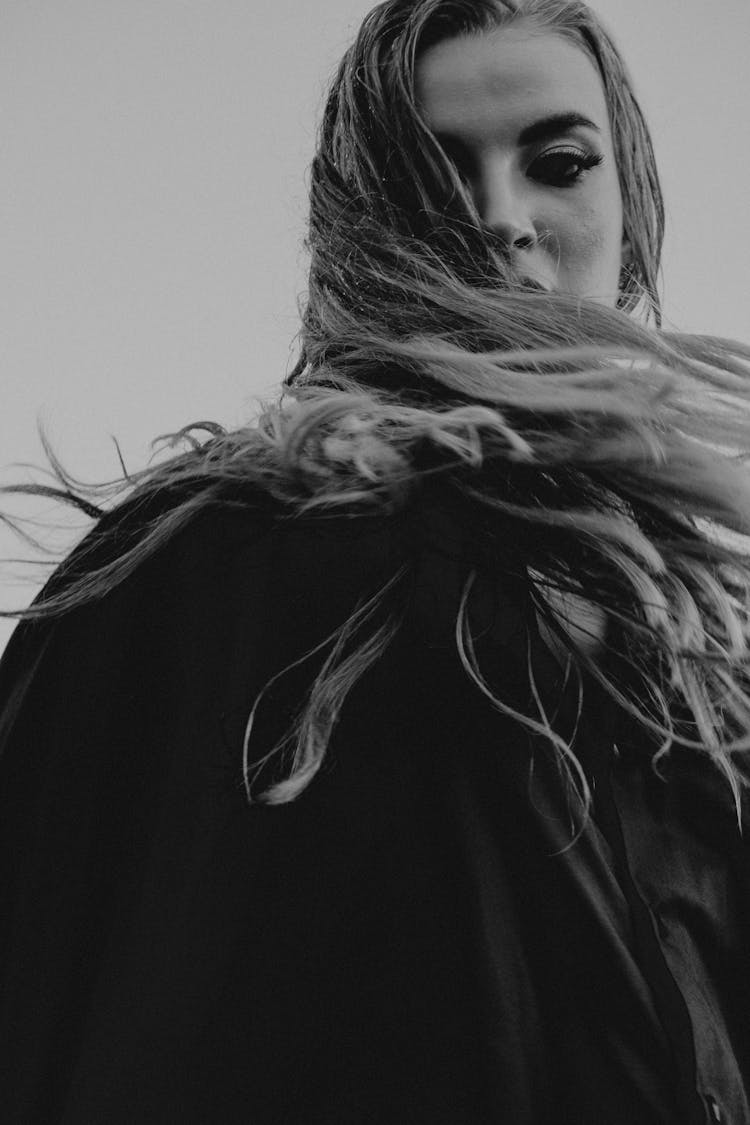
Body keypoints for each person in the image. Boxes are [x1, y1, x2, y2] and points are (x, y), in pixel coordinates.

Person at [1, 0, 750, 1121]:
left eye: (557, 162)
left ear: (630, 210)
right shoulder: (212, 562)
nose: (500, 219)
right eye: (435, 172)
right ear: (363, 223)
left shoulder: (694, 651)